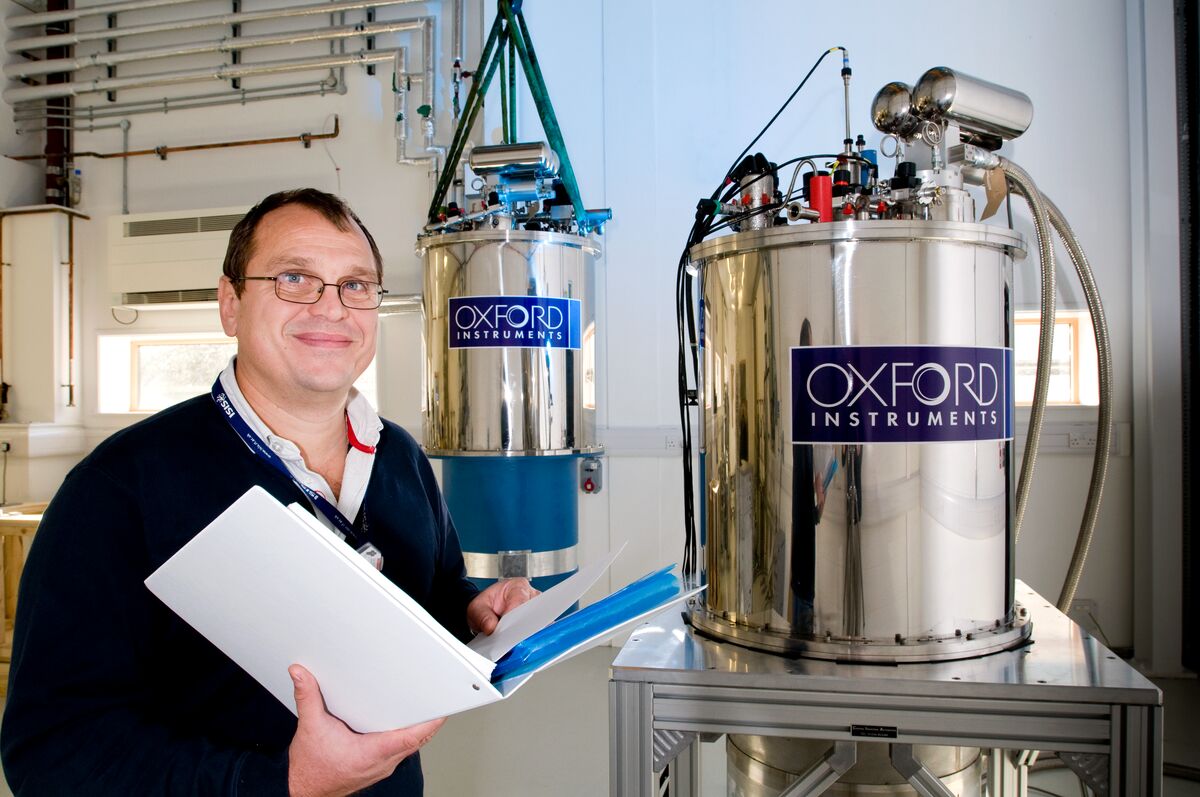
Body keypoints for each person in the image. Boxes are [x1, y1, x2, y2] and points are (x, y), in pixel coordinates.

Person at [0, 188, 536, 796]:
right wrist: (279, 784)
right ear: (230, 304)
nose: (332, 309)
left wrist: (471, 610)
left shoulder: (400, 457)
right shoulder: (121, 488)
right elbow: (50, 751)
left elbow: (431, 592)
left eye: (355, 285)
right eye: (294, 278)